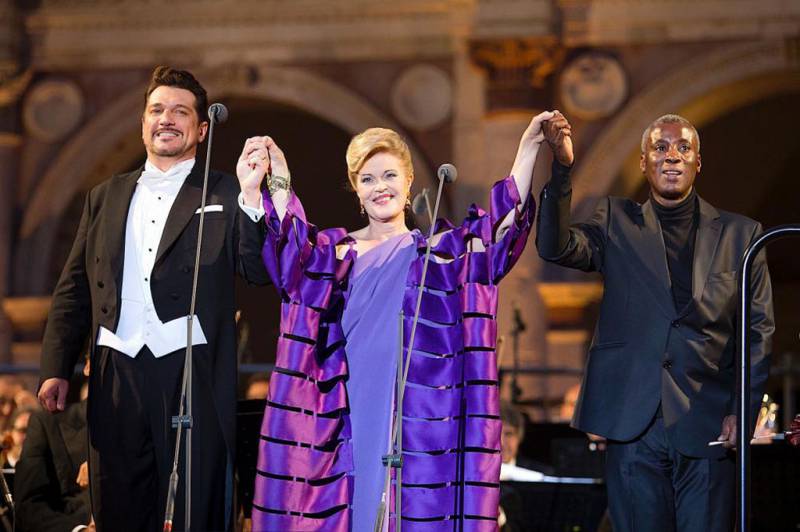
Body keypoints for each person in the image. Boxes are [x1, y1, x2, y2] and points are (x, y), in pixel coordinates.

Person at [248, 110, 557, 530]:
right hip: (343, 409)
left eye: (389, 175)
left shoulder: (438, 257)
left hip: (412, 411)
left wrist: (529, 148)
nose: (380, 187)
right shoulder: (332, 255)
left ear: (409, 182)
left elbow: (498, 233)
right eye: (368, 179)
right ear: (356, 190)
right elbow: (291, 259)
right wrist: (279, 181)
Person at [37, 66, 270, 531]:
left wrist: (251, 196)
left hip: (189, 368)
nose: (167, 118)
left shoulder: (224, 190)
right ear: (143, 122)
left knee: (193, 507)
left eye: (180, 112)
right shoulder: (104, 196)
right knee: (118, 502)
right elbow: (74, 288)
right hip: (116, 368)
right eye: (157, 109)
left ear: (201, 130)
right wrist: (55, 367)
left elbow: (257, 270)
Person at [536, 112, 774, 532]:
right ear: (644, 163)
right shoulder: (615, 220)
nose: (672, 156)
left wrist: (742, 407)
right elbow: (556, 247)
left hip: (708, 421)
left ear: (698, 162)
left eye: (683, 147)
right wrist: (562, 170)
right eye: (660, 147)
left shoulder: (742, 235)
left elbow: (758, 331)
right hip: (632, 422)